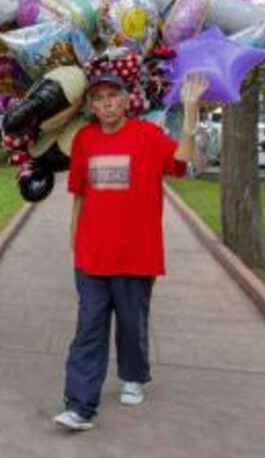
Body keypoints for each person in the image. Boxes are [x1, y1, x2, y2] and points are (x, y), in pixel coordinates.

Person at [53, 71, 208, 431]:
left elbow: (182, 160)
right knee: (88, 328)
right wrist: (74, 239)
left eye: (113, 96)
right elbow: (79, 192)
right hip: (92, 254)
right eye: (99, 98)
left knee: (131, 321)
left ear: (126, 100)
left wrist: (189, 113)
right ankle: (79, 405)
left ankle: (133, 375)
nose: (106, 103)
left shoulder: (147, 136)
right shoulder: (84, 140)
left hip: (136, 253)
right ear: (91, 105)